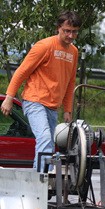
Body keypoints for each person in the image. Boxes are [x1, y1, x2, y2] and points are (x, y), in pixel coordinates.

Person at [1, 11, 81, 172]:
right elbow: (22, 71)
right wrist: (9, 97)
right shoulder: (44, 46)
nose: (70, 35)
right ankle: (40, 182)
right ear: (59, 28)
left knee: (49, 145)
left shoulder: (74, 52)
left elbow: (70, 82)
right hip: (34, 100)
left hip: (52, 107)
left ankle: (39, 181)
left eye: (74, 31)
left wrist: (67, 109)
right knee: (44, 138)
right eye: (67, 30)